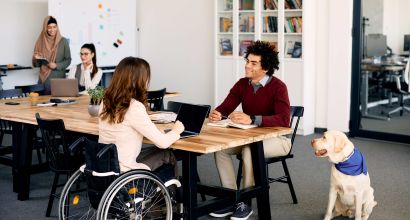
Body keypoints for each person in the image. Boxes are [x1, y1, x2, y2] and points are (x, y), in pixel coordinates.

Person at [208, 40, 291, 220]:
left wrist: (253, 119)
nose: (247, 66)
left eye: (253, 63)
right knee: (220, 149)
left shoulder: (278, 87)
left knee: (249, 150)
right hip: (250, 136)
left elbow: (284, 120)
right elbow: (225, 107)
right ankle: (232, 198)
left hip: (279, 140)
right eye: (247, 61)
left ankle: (246, 202)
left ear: (265, 68)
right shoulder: (242, 84)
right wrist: (217, 114)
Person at [98, 57, 184, 179]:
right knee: (167, 154)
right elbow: (163, 143)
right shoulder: (133, 107)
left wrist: (154, 132)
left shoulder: (105, 101)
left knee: (155, 152)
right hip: (124, 170)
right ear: (139, 80)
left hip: (107, 165)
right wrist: (176, 130)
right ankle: (171, 196)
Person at [32, 16, 71, 94]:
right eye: (49, 27)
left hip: (59, 80)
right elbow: (36, 64)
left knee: (59, 104)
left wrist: (56, 65)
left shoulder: (63, 41)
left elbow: (68, 60)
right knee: (42, 104)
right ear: (45, 28)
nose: (52, 30)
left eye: (54, 27)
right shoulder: (40, 41)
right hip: (44, 81)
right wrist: (36, 59)